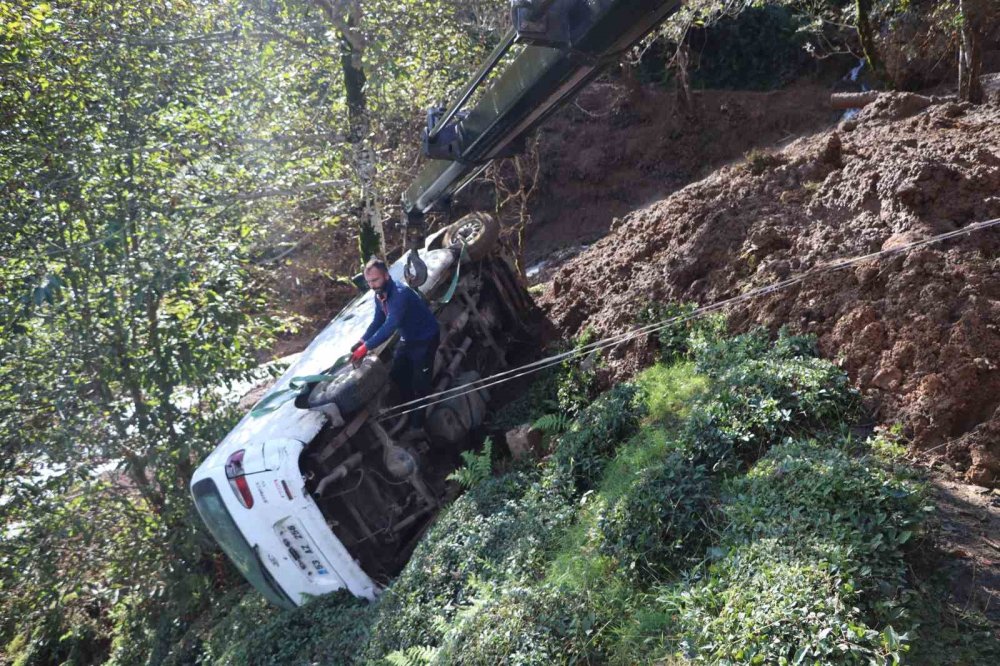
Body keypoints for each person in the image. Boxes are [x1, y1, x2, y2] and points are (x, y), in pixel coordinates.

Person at [351, 258, 440, 430]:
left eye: (375, 280)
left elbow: (390, 325)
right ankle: (408, 408)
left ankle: (418, 427)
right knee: (397, 375)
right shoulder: (380, 294)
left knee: (421, 383)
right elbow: (379, 319)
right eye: (369, 282)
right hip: (408, 339)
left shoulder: (399, 294)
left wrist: (366, 348)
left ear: (386, 275)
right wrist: (362, 340)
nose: (372, 285)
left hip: (425, 339)